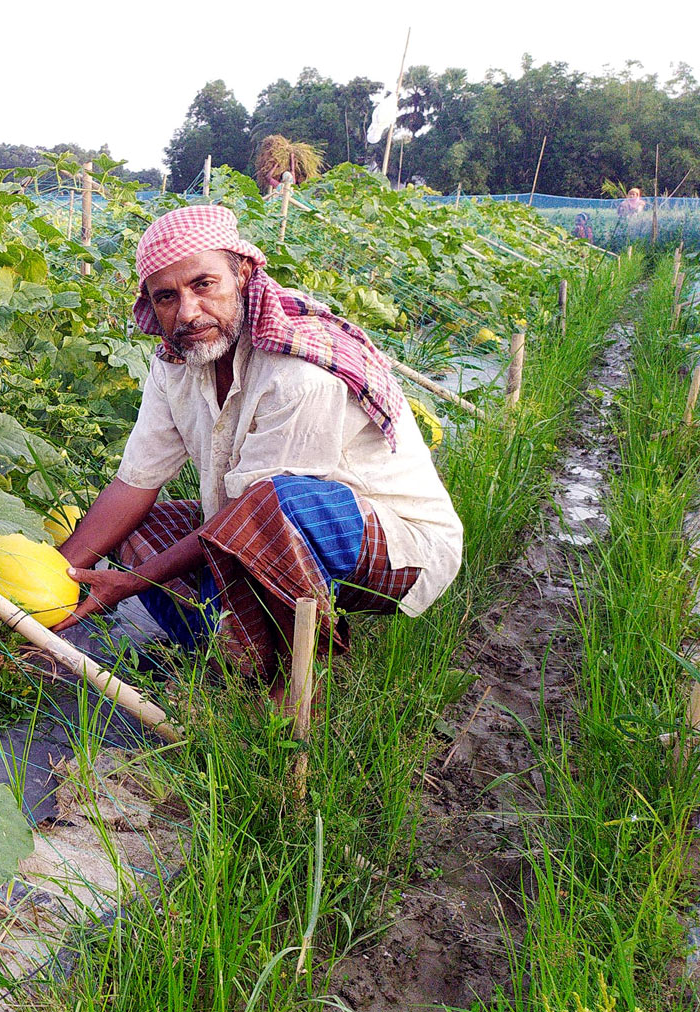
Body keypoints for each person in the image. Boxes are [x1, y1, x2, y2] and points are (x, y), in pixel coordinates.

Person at [51, 206, 463, 688]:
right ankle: (234, 663)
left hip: (392, 547)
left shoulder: (298, 372)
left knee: (271, 507)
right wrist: (55, 579)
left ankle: (295, 684)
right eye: (166, 296)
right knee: (139, 526)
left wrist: (133, 583)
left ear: (243, 274)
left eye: (203, 284)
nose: (186, 313)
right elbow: (132, 485)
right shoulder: (176, 364)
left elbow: (253, 514)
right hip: (258, 528)